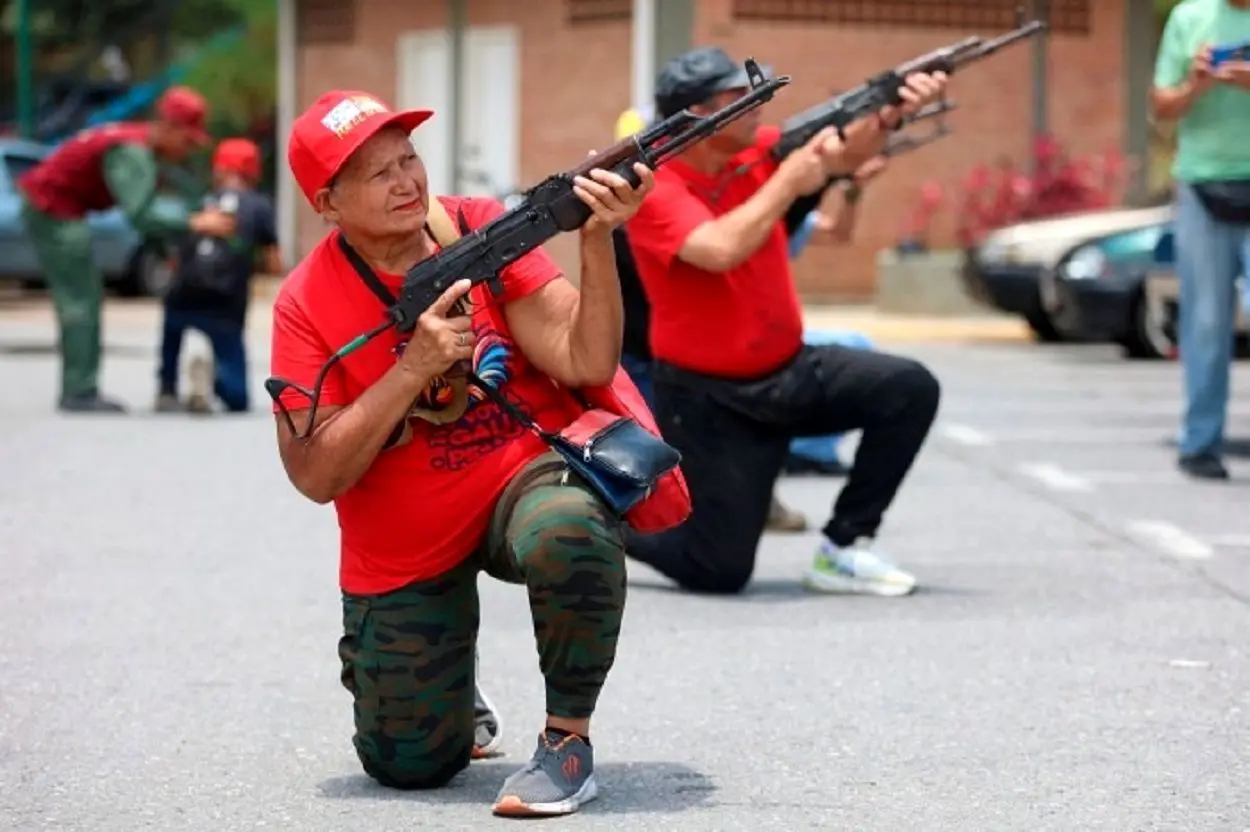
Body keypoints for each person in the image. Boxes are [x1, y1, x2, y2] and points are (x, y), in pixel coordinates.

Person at [269, 90, 652, 817]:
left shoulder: (477, 230)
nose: (407, 181)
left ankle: (567, 744)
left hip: (518, 482)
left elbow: (585, 356)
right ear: (328, 201)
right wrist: (411, 369)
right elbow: (315, 474)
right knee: (408, 766)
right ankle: (449, 685)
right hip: (404, 545)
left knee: (570, 526)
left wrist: (600, 239)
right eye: (378, 173)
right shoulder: (304, 302)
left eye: (408, 158)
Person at [624, 47, 946, 596]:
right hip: (711, 401)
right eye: (736, 98)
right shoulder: (651, 184)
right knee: (719, 571)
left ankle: (845, 546)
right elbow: (717, 248)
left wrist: (891, 112)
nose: (755, 106)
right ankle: (613, 521)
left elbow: (845, 155)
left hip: (790, 370)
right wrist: (789, 182)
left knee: (909, 388)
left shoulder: (761, 149)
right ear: (696, 115)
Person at [612, 104, 809, 532]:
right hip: (646, 354)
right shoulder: (641, 206)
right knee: (659, 453)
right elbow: (713, 254)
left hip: (665, 349)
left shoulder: (683, 196)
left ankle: (743, 503)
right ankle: (639, 521)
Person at [16, 86, 237, 413]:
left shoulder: (136, 142)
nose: (188, 150)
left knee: (84, 294)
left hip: (57, 207)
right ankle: (79, 390)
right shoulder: (132, 152)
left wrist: (170, 249)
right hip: (52, 209)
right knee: (81, 297)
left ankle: (79, 386)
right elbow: (142, 214)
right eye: (187, 141)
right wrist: (196, 223)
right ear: (168, 127)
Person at [1151, 0, 1250, 480]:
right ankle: (1200, 443)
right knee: (1207, 322)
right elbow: (1161, 107)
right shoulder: (1190, 18)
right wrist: (1197, 83)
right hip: (1203, 187)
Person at [157, 137, 282, 414]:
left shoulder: (199, 202)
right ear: (253, 172)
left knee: (172, 326)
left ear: (219, 171)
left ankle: (166, 388)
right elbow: (274, 261)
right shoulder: (259, 205)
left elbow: (176, 254)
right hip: (226, 301)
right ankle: (218, 381)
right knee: (238, 400)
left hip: (183, 292)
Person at [783, 156, 889, 478]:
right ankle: (799, 449)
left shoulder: (787, 216)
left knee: (855, 348)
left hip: (783, 326)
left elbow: (836, 233)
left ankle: (810, 450)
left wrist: (853, 191)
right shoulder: (753, 212)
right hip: (744, 331)